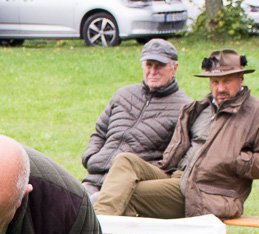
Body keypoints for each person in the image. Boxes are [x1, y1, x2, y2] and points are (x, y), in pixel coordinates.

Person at [93, 49, 259, 234]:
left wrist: (236, 159)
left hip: (207, 192)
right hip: (176, 176)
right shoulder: (200, 108)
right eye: (215, 82)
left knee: (127, 195)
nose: (220, 88)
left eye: (226, 81)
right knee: (125, 161)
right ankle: (97, 231)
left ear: (241, 79)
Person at [81, 38, 190, 197]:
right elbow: (99, 132)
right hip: (94, 177)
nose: (153, 71)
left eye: (159, 66)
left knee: (94, 206)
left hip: (130, 185)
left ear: (174, 68)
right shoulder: (123, 95)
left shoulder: (184, 108)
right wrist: (90, 157)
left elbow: (173, 160)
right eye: (148, 65)